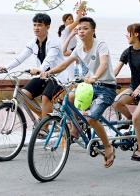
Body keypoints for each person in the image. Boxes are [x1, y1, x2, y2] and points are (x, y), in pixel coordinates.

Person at [42, 17, 117, 168]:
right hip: (90, 86)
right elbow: (64, 64)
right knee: (69, 98)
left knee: (91, 119)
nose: (81, 31)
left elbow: (103, 64)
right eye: (79, 29)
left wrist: (95, 76)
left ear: (93, 30)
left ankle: (108, 146)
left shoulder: (100, 45)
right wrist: (48, 72)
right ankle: (75, 130)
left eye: (85, 28)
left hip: (106, 87)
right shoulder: (79, 48)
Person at [0, 13, 66, 124]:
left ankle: (44, 127)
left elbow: (49, 59)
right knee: (24, 94)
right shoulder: (33, 43)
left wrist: (40, 69)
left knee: (46, 97)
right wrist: (6, 67)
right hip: (42, 76)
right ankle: (46, 119)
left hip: (58, 77)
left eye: (39, 25)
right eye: (34, 25)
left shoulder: (54, 42)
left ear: (47, 27)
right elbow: (20, 58)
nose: (36, 28)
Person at [112, 23, 140, 162]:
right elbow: (116, 71)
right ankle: (131, 122)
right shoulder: (128, 52)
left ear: (136, 34)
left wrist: (139, 89)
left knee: (137, 117)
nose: (127, 35)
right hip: (133, 87)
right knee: (116, 103)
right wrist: (104, 80)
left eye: (128, 33)